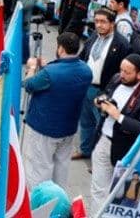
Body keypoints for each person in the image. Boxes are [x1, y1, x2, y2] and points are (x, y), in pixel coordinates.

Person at [22, 32, 92, 189]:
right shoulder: (86, 71)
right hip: (68, 129)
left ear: (61, 48)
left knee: (38, 171)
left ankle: (38, 208)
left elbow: (28, 85)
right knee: (61, 170)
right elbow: (64, 80)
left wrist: (32, 68)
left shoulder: (50, 73)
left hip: (43, 130)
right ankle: (58, 205)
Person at [90, 54, 140, 208]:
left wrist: (118, 116)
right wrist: (101, 100)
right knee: (98, 190)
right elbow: (106, 93)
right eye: (121, 70)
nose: (122, 75)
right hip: (104, 140)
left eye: (127, 72)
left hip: (127, 150)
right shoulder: (116, 78)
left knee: (122, 199)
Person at [75, 8, 132, 160]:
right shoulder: (94, 36)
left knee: (101, 125)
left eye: (103, 22)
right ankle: (85, 150)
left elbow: (123, 72)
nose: (99, 25)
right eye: (97, 21)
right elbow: (83, 57)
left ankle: (99, 159)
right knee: (85, 121)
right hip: (86, 87)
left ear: (112, 23)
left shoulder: (122, 44)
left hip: (103, 91)